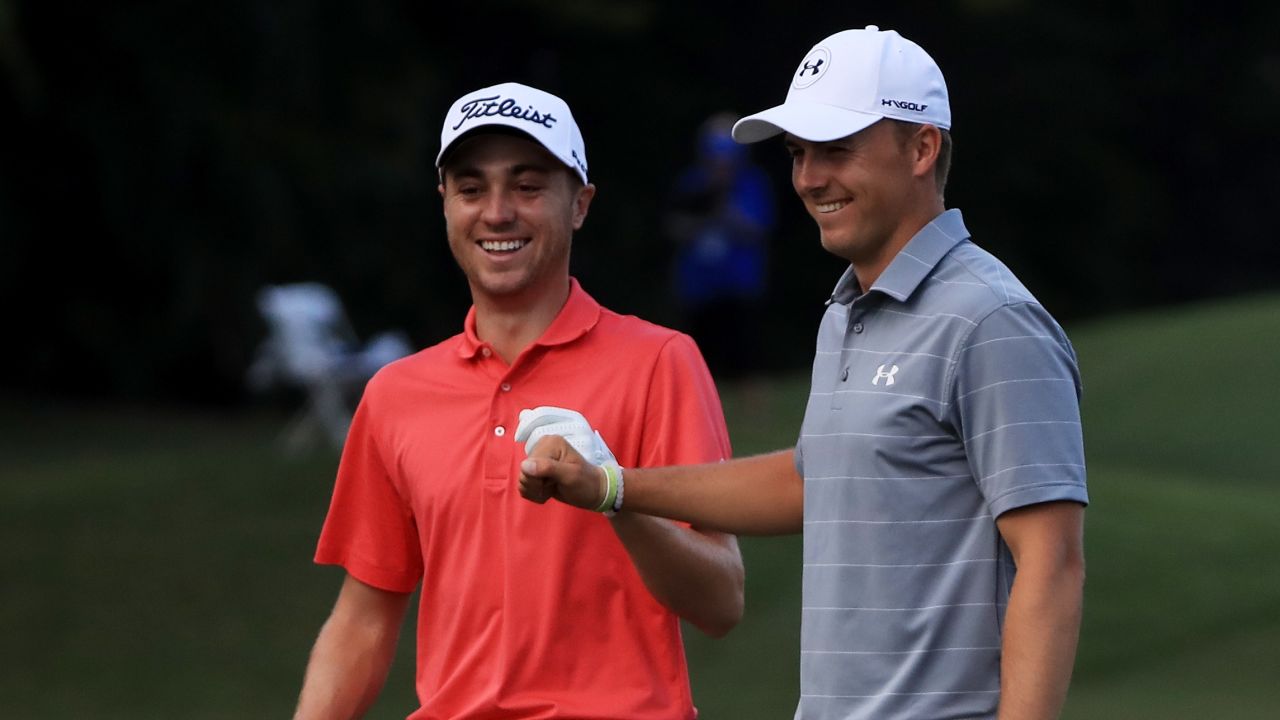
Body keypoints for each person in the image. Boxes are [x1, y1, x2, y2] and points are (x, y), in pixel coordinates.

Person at [518, 27, 1088, 720]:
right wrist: (613, 484)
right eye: (798, 153)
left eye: (837, 149)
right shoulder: (846, 311)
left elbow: (1051, 563)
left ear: (922, 148)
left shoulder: (990, 320)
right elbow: (813, 479)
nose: (810, 178)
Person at [293, 82, 745, 720]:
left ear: (580, 204)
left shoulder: (659, 363)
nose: (497, 212)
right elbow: (364, 621)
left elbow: (720, 601)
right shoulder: (396, 394)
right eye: (472, 188)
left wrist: (614, 494)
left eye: (528, 186)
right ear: (445, 203)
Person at [664, 112, 776, 382]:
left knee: (744, 351)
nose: (721, 166)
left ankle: (753, 406)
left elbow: (759, 228)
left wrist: (724, 208)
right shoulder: (691, 183)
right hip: (699, 286)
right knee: (701, 357)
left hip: (739, 283)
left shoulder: (751, 183)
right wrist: (699, 219)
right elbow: (673, 226)